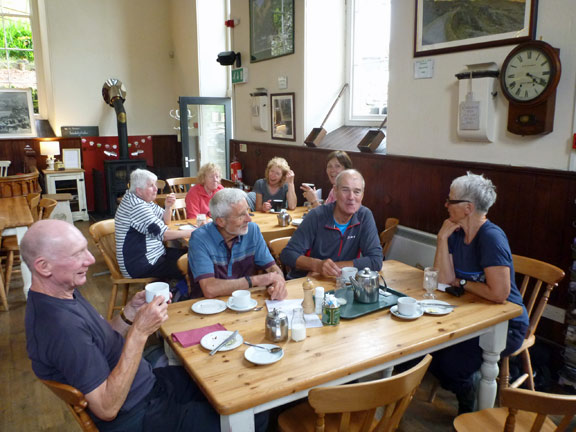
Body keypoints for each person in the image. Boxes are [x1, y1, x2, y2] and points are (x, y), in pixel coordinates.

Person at [22, 220, 229, 431]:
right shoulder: (60, 327)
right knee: (239, 413)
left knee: (219, 380)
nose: (91, 259)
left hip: (146, 386)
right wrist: (139, 332)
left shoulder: (63, 291)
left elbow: (101, 341)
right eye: (77, 254)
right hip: (139, 415)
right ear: (43, 266)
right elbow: (106, 408)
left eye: (86, 249)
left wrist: (130, 312)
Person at [431, 172, 529, 414]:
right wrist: (442, 239)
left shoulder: (491, 237)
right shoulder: (455, 232)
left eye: (450, 200)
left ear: (467, 208)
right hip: (470, 316)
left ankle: (469, 401)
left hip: (505, 324)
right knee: (429, 355)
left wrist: (462, 282)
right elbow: (442, 279)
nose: (445, 205)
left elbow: (499, 293)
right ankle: (467, 386)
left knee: (450, 365)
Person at [281, 169, 383, 279]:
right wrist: (317, 265)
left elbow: (376, 260)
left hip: (341, 284)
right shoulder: (317, 216)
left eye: (357, 191)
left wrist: (334, 268)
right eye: (345, 190)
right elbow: (288, 254)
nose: (351, 197)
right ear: (335, 191)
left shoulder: (364, 216)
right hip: (306, 284)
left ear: (362, 195)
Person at [188, 188, 288, 299]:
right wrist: (256, 280)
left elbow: (272, 268)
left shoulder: (252, 230)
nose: (249, 219)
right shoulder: (199, 238)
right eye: (241, 215)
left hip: (245, 302)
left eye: (248, 211)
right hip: (208, 307)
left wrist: (278, 283)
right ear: (221, 221)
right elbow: (209, 289)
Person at [115, 169, 191, 279]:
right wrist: (193, 232)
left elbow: (166, 221)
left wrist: (168, 207)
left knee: (192, 256)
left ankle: (180, 291)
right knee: (192, 263)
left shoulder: (141, 200)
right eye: (151, 186)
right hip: (141, 264)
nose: (156, 189)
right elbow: (164, 235)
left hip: (155, 254)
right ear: (139, 190)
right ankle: (183, 293)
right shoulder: (137, 206)